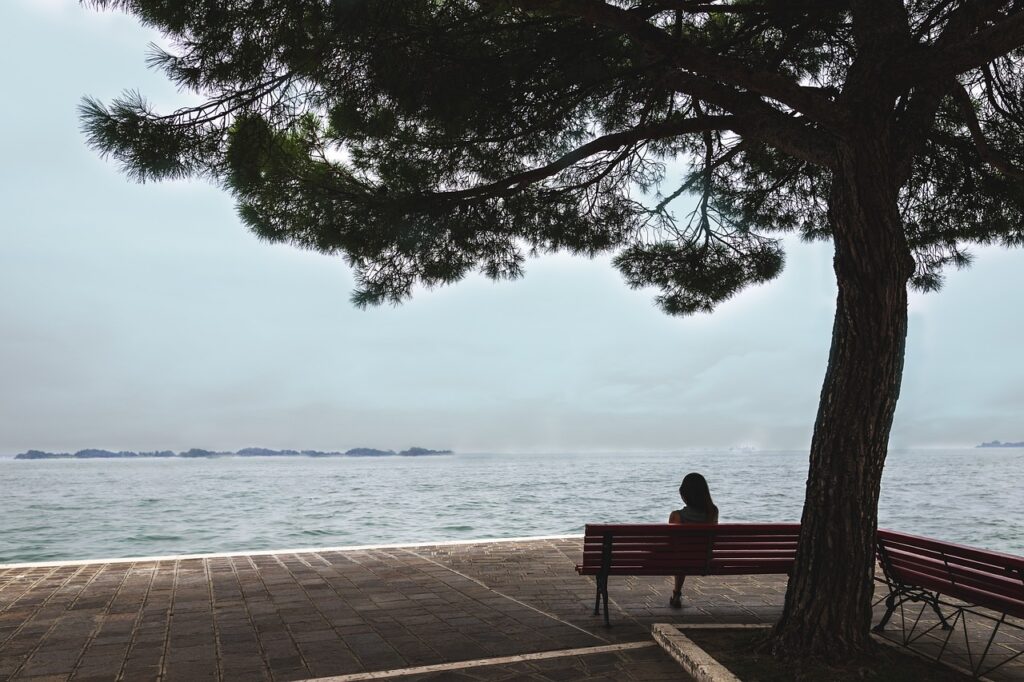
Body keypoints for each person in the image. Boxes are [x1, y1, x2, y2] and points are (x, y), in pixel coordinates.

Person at [668, 472, 719, 608]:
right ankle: (676, 593)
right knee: (684, 553)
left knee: (681, 554)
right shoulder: (713, 512)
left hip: (682, 559)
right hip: (705, 559)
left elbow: (672, 544)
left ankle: (677, 593)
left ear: (684, 495)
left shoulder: (676, 516)